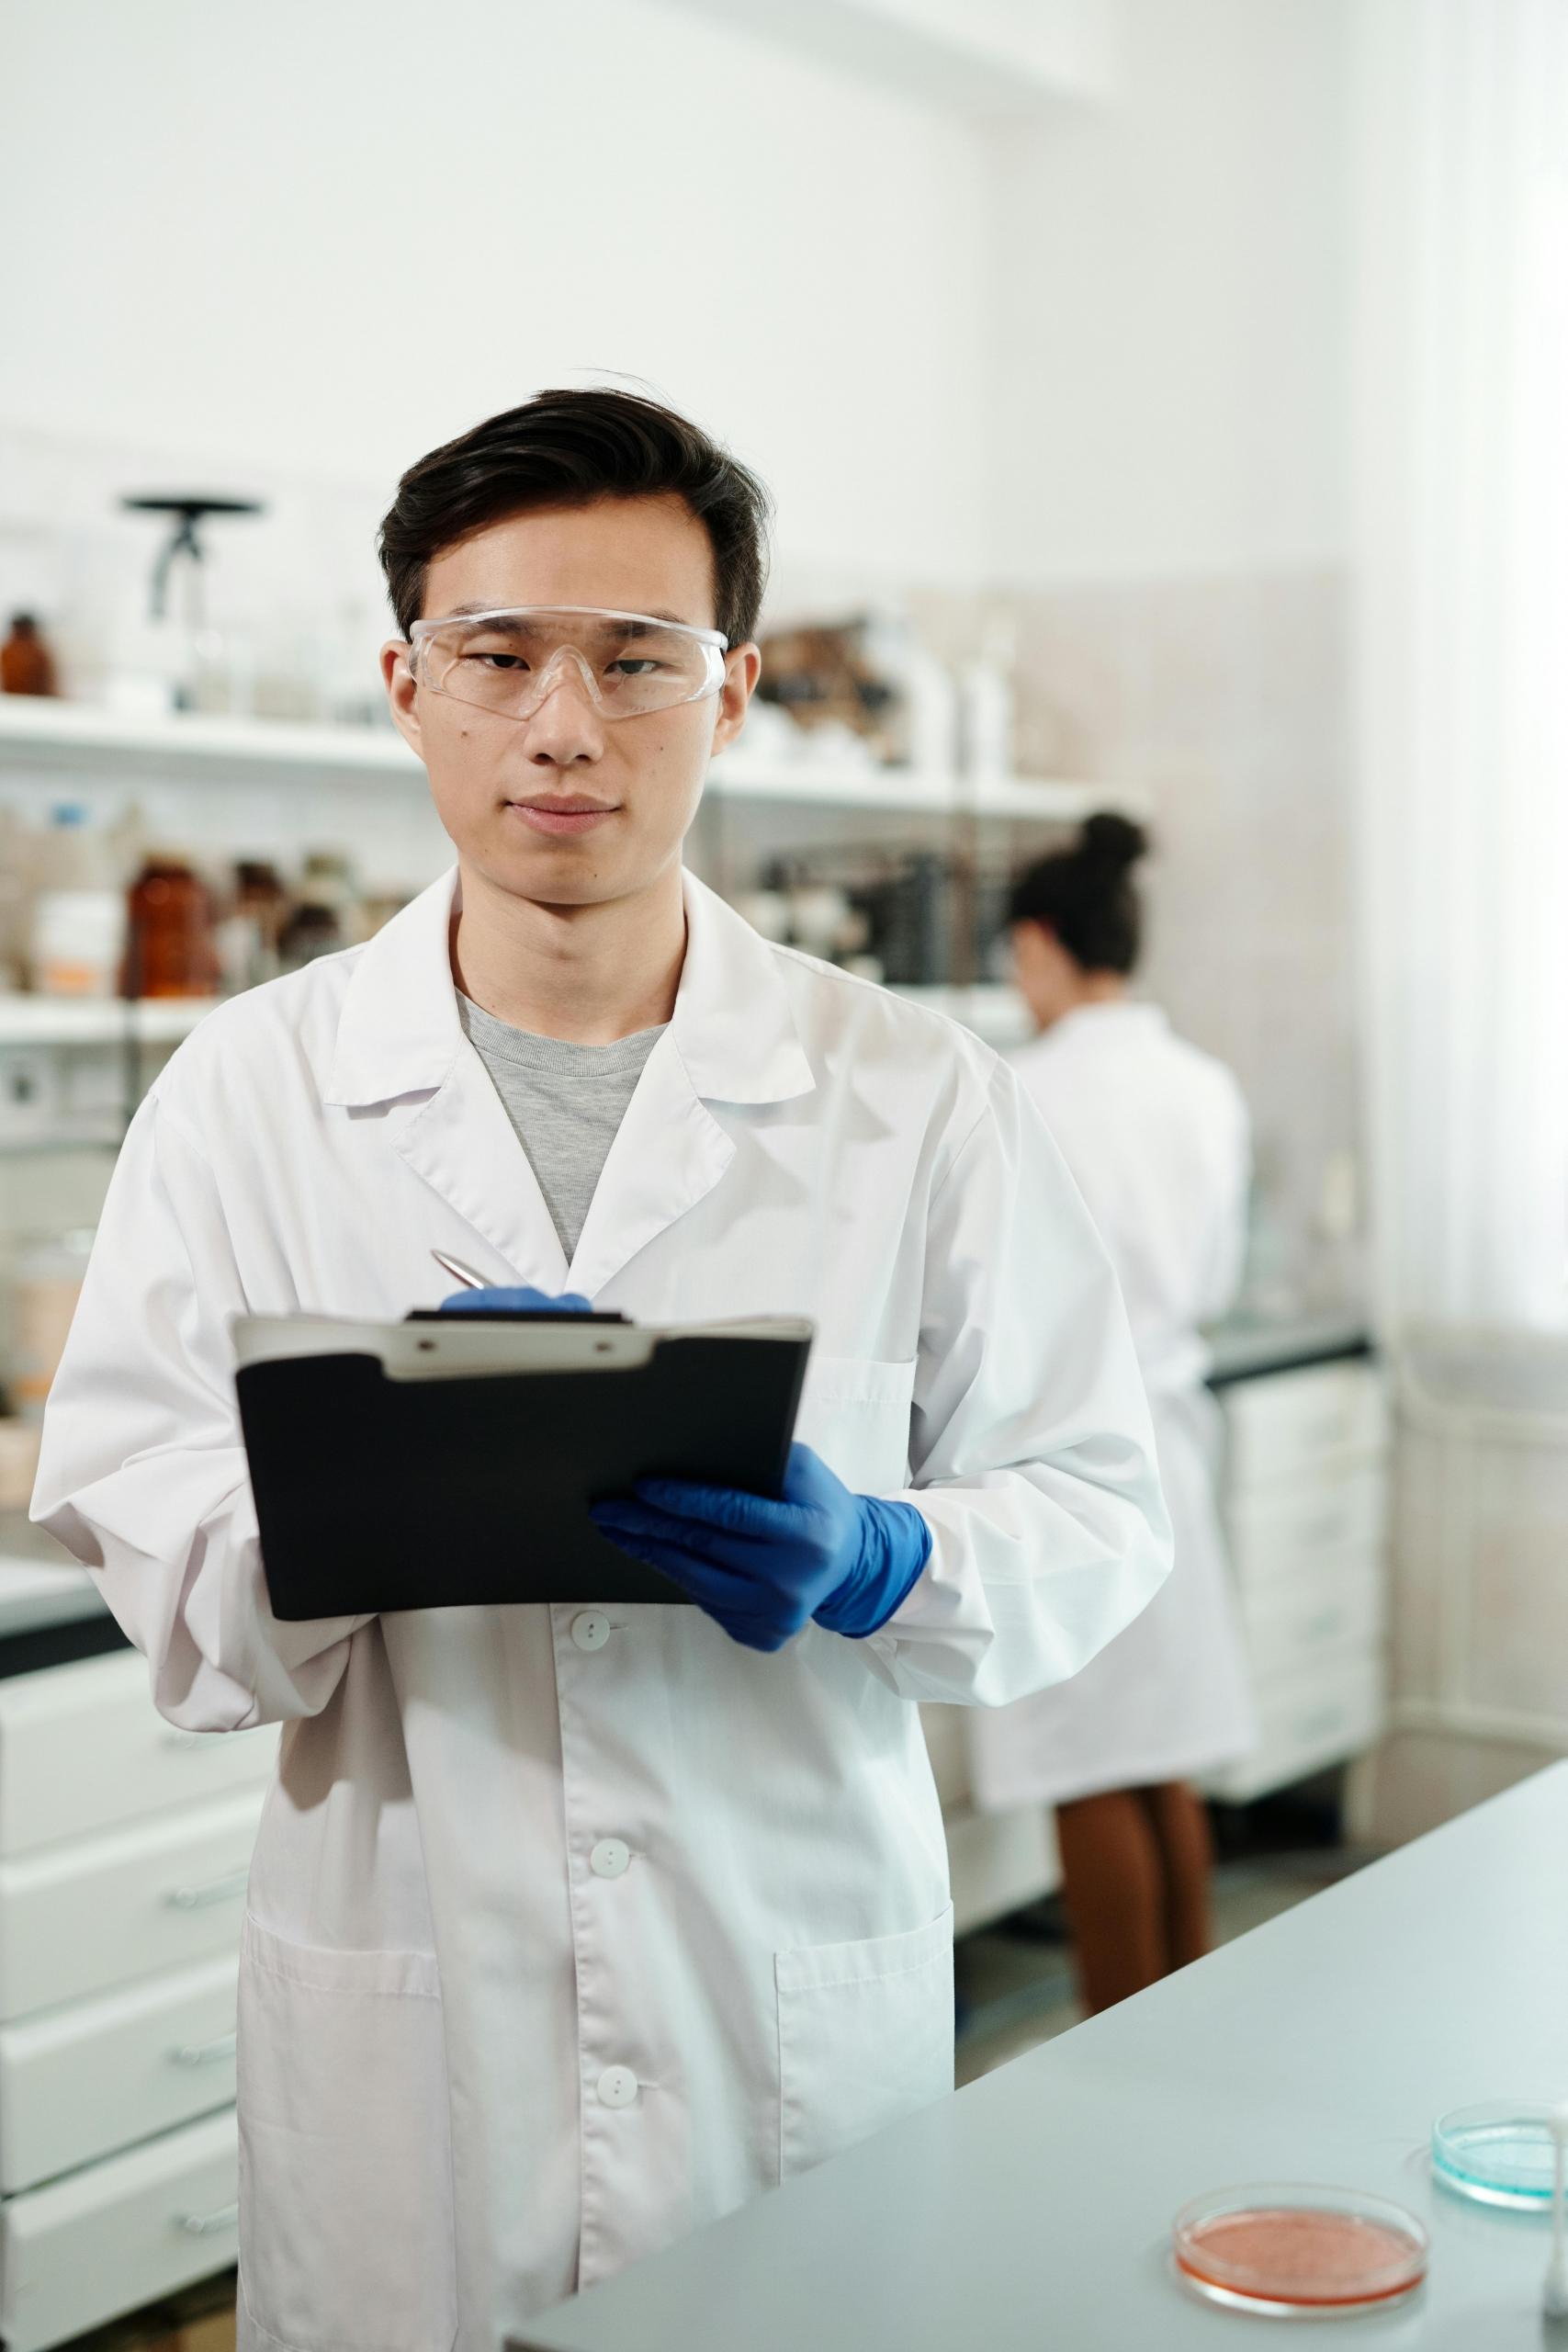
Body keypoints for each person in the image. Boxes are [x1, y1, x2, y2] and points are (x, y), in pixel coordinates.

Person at [31, 392, 1170, 2350]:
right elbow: (155, 1544)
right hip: (409, 2016)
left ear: (727, 696)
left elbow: (1094, 1499)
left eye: (636, 660)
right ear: (405, 682)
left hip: (780, 1991)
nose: (564, 725)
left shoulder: (910, 1091)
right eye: (496, 655)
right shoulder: (247, 1090)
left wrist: (888, 1554)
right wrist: (349, 1496)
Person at [969, 814, 1257, 2014]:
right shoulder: (1203, 1084)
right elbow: (1214, 1278)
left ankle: (1123, 2048)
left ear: (1036, 945)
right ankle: (1188, 2028)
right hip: (1173, 1443)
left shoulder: (1019, 1090)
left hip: (1063, 1453)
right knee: (1162, 1759)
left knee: (1089, 1767)